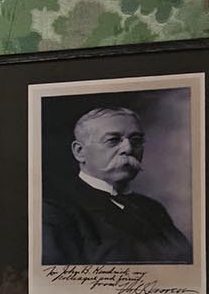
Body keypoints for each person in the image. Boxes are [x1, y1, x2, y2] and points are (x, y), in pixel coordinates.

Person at [42, 106, 192, 265]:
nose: (128, 149)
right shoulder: (55, 210)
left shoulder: (153, 209)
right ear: (80, 151)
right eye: (113, 140)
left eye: (136, 140)